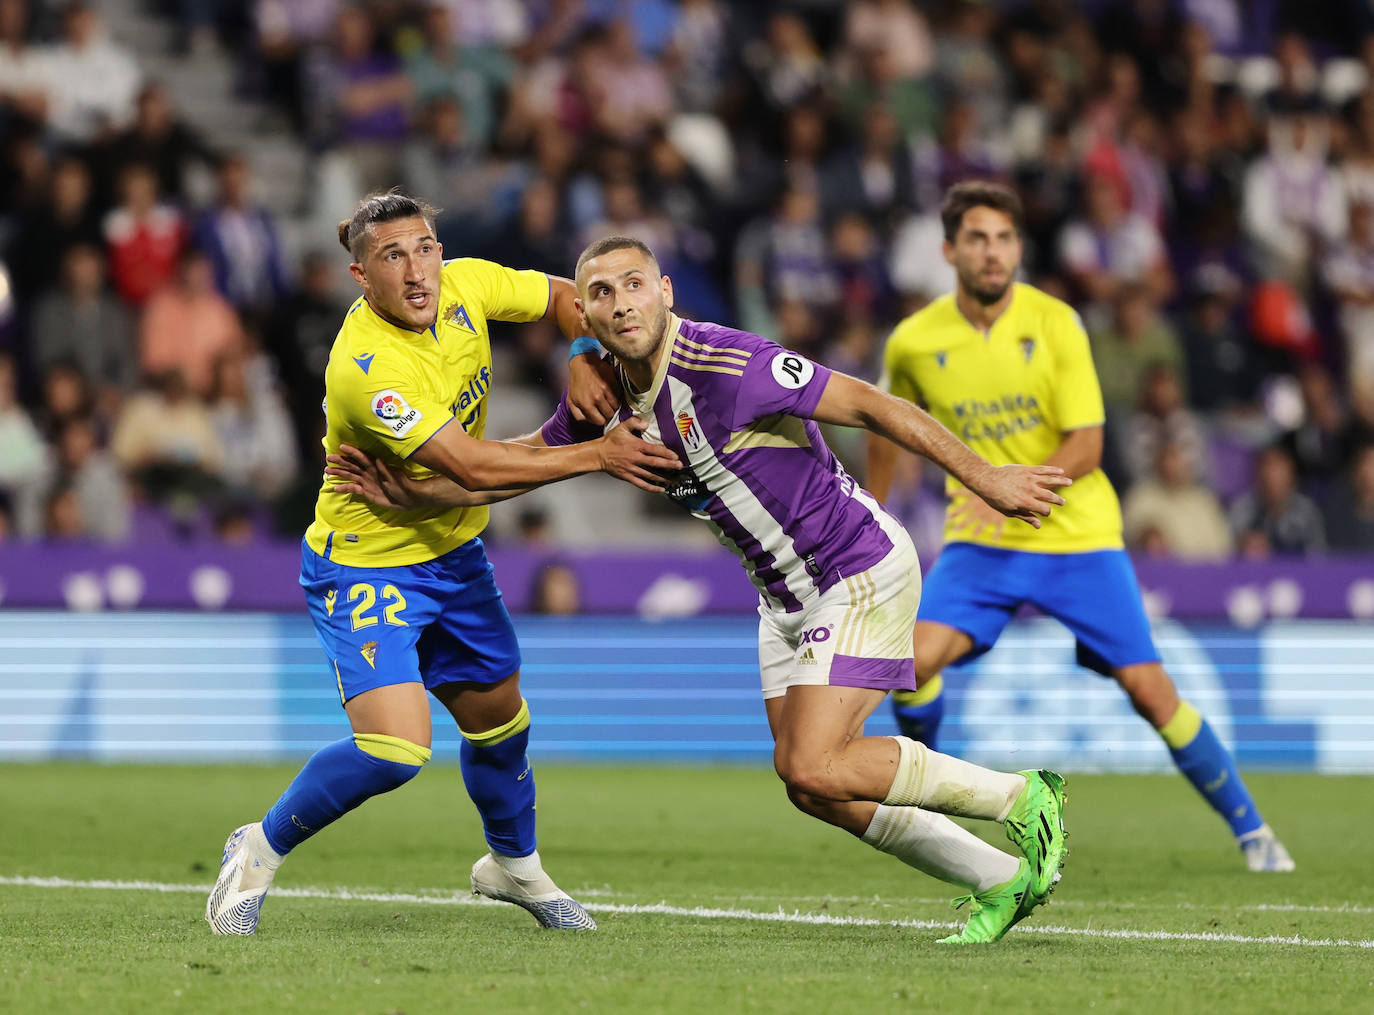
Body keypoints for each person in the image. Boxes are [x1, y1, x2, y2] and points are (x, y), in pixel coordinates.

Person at [328, 235, 1073, 945]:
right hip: (782, 597)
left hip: (854, 566)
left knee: (816, 761)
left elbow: (875, 405)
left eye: (635, 286)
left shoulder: (729, 363)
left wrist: (987, 477)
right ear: (581, 318)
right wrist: (410, 496)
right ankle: (1001, 877)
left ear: (665, 292)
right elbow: (511, 462)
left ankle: (1023, 797)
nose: (622, 305)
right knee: (814, 787)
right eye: (601, 294)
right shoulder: (606, 399)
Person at [205, 193, 680, 936]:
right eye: (393, 257)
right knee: (395, 748)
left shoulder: (465, 282)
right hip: (367, 564)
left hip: (452, 552)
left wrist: (583, 352)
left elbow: (563, 295)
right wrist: (598, 453)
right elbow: (471, 468)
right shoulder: (366, 367)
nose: (418, 270)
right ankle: (257, 848)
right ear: (362, 275)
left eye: (425, 247)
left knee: (501, 723)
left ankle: (513, 866)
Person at [867, 181, 1294, 873]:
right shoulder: (915, 341)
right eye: (977, 238)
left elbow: (1088, 446)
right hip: (983, 542)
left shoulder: (1056, 321)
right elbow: (885, 420)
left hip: (1078, 539)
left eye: (1005, 238)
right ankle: (934, 794)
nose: (993, 251)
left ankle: (1253, 830)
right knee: (908, 667)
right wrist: (875, 509)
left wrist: (1009, 487)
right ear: (949, 250)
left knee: (1151, 690)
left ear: (1019, 249)